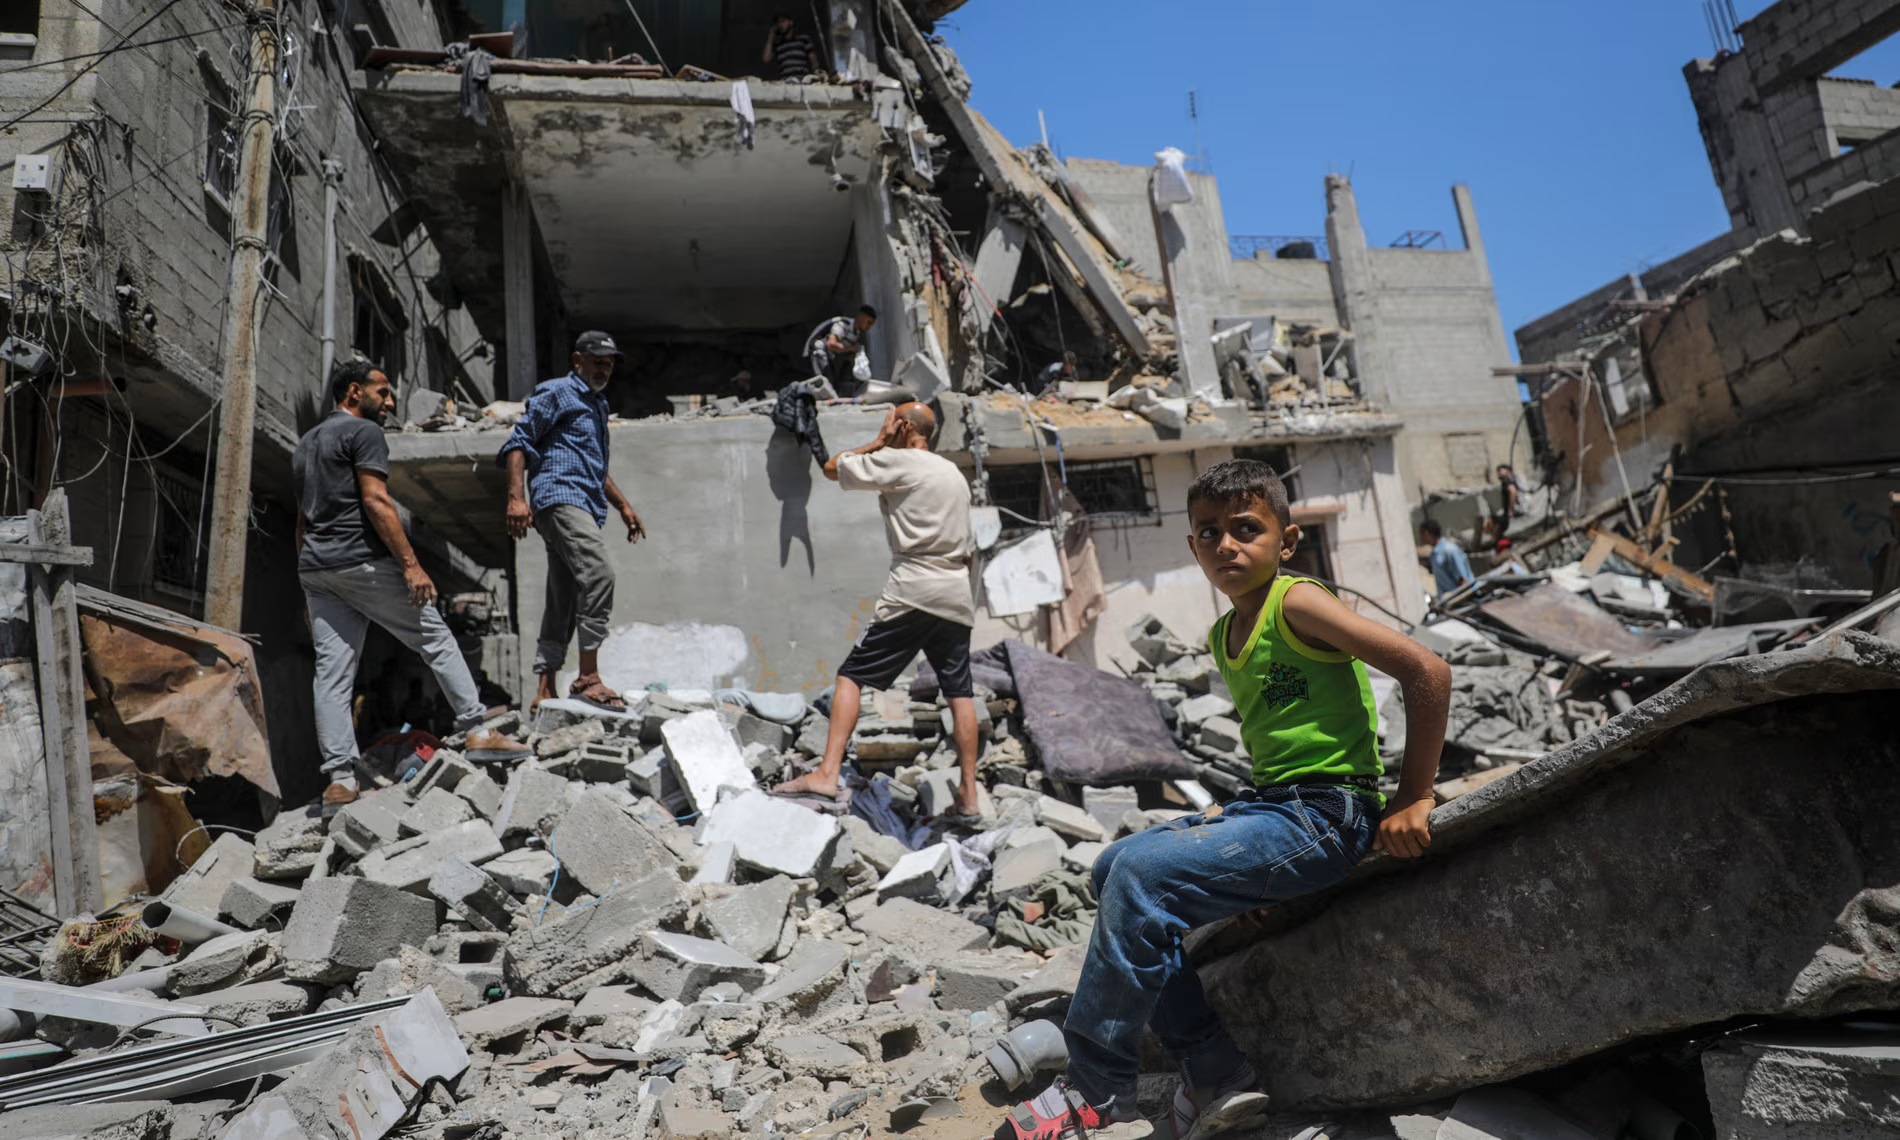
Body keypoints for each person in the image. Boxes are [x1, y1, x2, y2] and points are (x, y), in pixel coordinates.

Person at [995, 458, 1450, 1140]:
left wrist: (1412, 794)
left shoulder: (1296, 602)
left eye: (1246, 529)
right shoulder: (1223, 634)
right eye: (1209, 533)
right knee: (1107, 869)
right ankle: (1212, 1069)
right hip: (1273, 810)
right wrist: (1245, 856)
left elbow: (1427, 669)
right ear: (1192, 547)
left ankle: (1094, 1088)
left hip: (1330, 814)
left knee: (1145, 880)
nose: (1226, 546)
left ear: (1286, 542)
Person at [295, 361, 526, 808]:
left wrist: (307, 582)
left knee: (332, 676)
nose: (390, 401)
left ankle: (341, 779)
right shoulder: (363, 434)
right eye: (382, 392)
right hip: (360, 562)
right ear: (353, 392)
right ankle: (477, 730)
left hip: (318, 570)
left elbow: (302, 520)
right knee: (435, 637)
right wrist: (411, 565)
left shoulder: (308, 442)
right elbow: (376, 500)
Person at [773, 404, 982, 817]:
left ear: (903, 427)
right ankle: (970, 797)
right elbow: (972, 549)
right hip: (957, 592)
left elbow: (834, 468)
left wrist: (879, 440)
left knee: (851, 676)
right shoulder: (953, 475)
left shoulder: (898, 459)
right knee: (959, 693)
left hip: (913, 588)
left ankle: (827, 774)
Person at [499, 331, 648, 712]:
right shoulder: (556, 392)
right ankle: (588, 678)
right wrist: (517, 498)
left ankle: (545, 686)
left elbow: (595, 467)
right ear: (576, 359)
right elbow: (519, 442)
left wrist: (623, 506)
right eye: (598, 361)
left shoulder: (598, 405)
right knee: (599, 574)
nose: (605, 369)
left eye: (610, 363)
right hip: (558, 497)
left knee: (563, 595)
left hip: (584, 501)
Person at [804, 305, 878, 398]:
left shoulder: (856, 334)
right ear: (861, 317)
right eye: (869, 322)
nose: (869, 327)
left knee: (835, 381)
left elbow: (845, 352)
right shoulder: (843, 324)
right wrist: (851, 348)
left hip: (830, 357)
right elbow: (831, 344)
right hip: (819, 352)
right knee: (825, 381)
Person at [1421, 518, 1474, 597]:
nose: (1422, 538)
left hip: (1462, 599)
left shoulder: (1449, 550)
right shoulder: (1434, 554)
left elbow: (1463, 579)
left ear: (1430, 534)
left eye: (1423, 534)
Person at [761, 12, 820, 81]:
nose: (780, 25)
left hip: (803, 81)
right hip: (786, 82)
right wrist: (770, 38)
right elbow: (766, 59)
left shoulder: (803, 39)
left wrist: (816, 76)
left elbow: (813, 59)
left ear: (790, 22)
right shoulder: (778, 44)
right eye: (778, 22)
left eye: (783, 21)